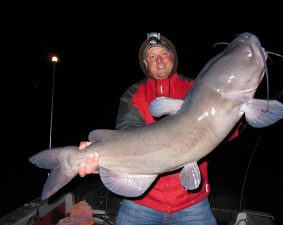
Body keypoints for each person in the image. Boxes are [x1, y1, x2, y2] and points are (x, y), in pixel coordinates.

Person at [78, 32, 239, 225]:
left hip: (191, 203)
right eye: (152, 56)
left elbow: (226, 133)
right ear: (145, 63)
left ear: (173, 56)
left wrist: (235, 111)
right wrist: (101, 153)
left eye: (163, 53)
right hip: (141, 203)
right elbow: (128, 137)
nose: (159, 61)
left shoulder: (196, 88)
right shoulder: (133, 95)